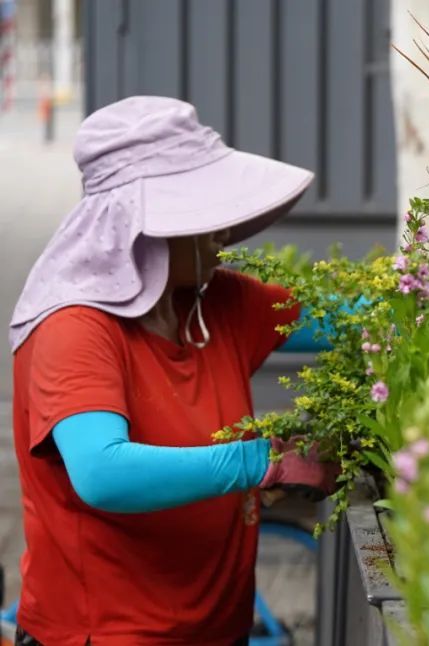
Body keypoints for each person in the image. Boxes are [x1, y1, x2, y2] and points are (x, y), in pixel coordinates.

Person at [9, 96, 343, 645]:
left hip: (217, 628)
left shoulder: (217, 301)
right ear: (141, 228)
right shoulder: (74, 328)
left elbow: (354, 321)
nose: (223, 231)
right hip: (109, 636)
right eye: (201, 212)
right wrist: (264, 462)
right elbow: (102, 472)